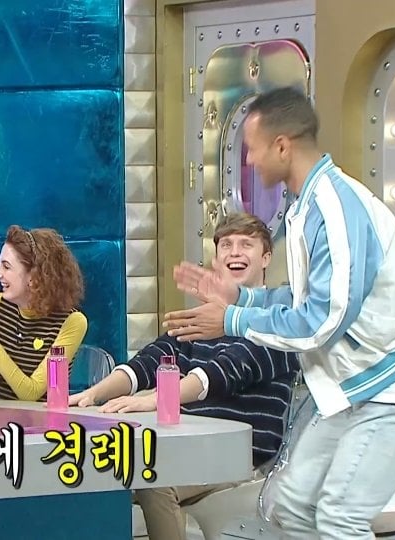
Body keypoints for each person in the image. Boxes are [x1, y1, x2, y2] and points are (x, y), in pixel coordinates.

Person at [164, 87, 395, 539]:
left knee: (341, 517)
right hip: (357, 391)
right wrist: (241, 298)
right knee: (291, 505)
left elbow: (322, 322)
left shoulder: (337, 209)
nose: (250, 161)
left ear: (282, 145)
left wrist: (230, 321)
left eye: (254, 149)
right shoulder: (306, 207)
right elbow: (307, 300)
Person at [70, 213, 300, 540]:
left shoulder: (277, 323)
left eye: (246, 244)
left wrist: (154, 400)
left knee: (154, 480)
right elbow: (150, 361)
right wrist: (94, 394)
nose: (235, 252)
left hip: (240, 456)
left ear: (265, 258)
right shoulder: (201, 319)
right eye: (227, 245)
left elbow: (223, 373)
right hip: (187, 446)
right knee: (94, 467)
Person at [0, 225, 87, 401]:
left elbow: (31, 394)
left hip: (43, 417)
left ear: (34, 276)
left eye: (6, 267)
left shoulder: (72, 322)